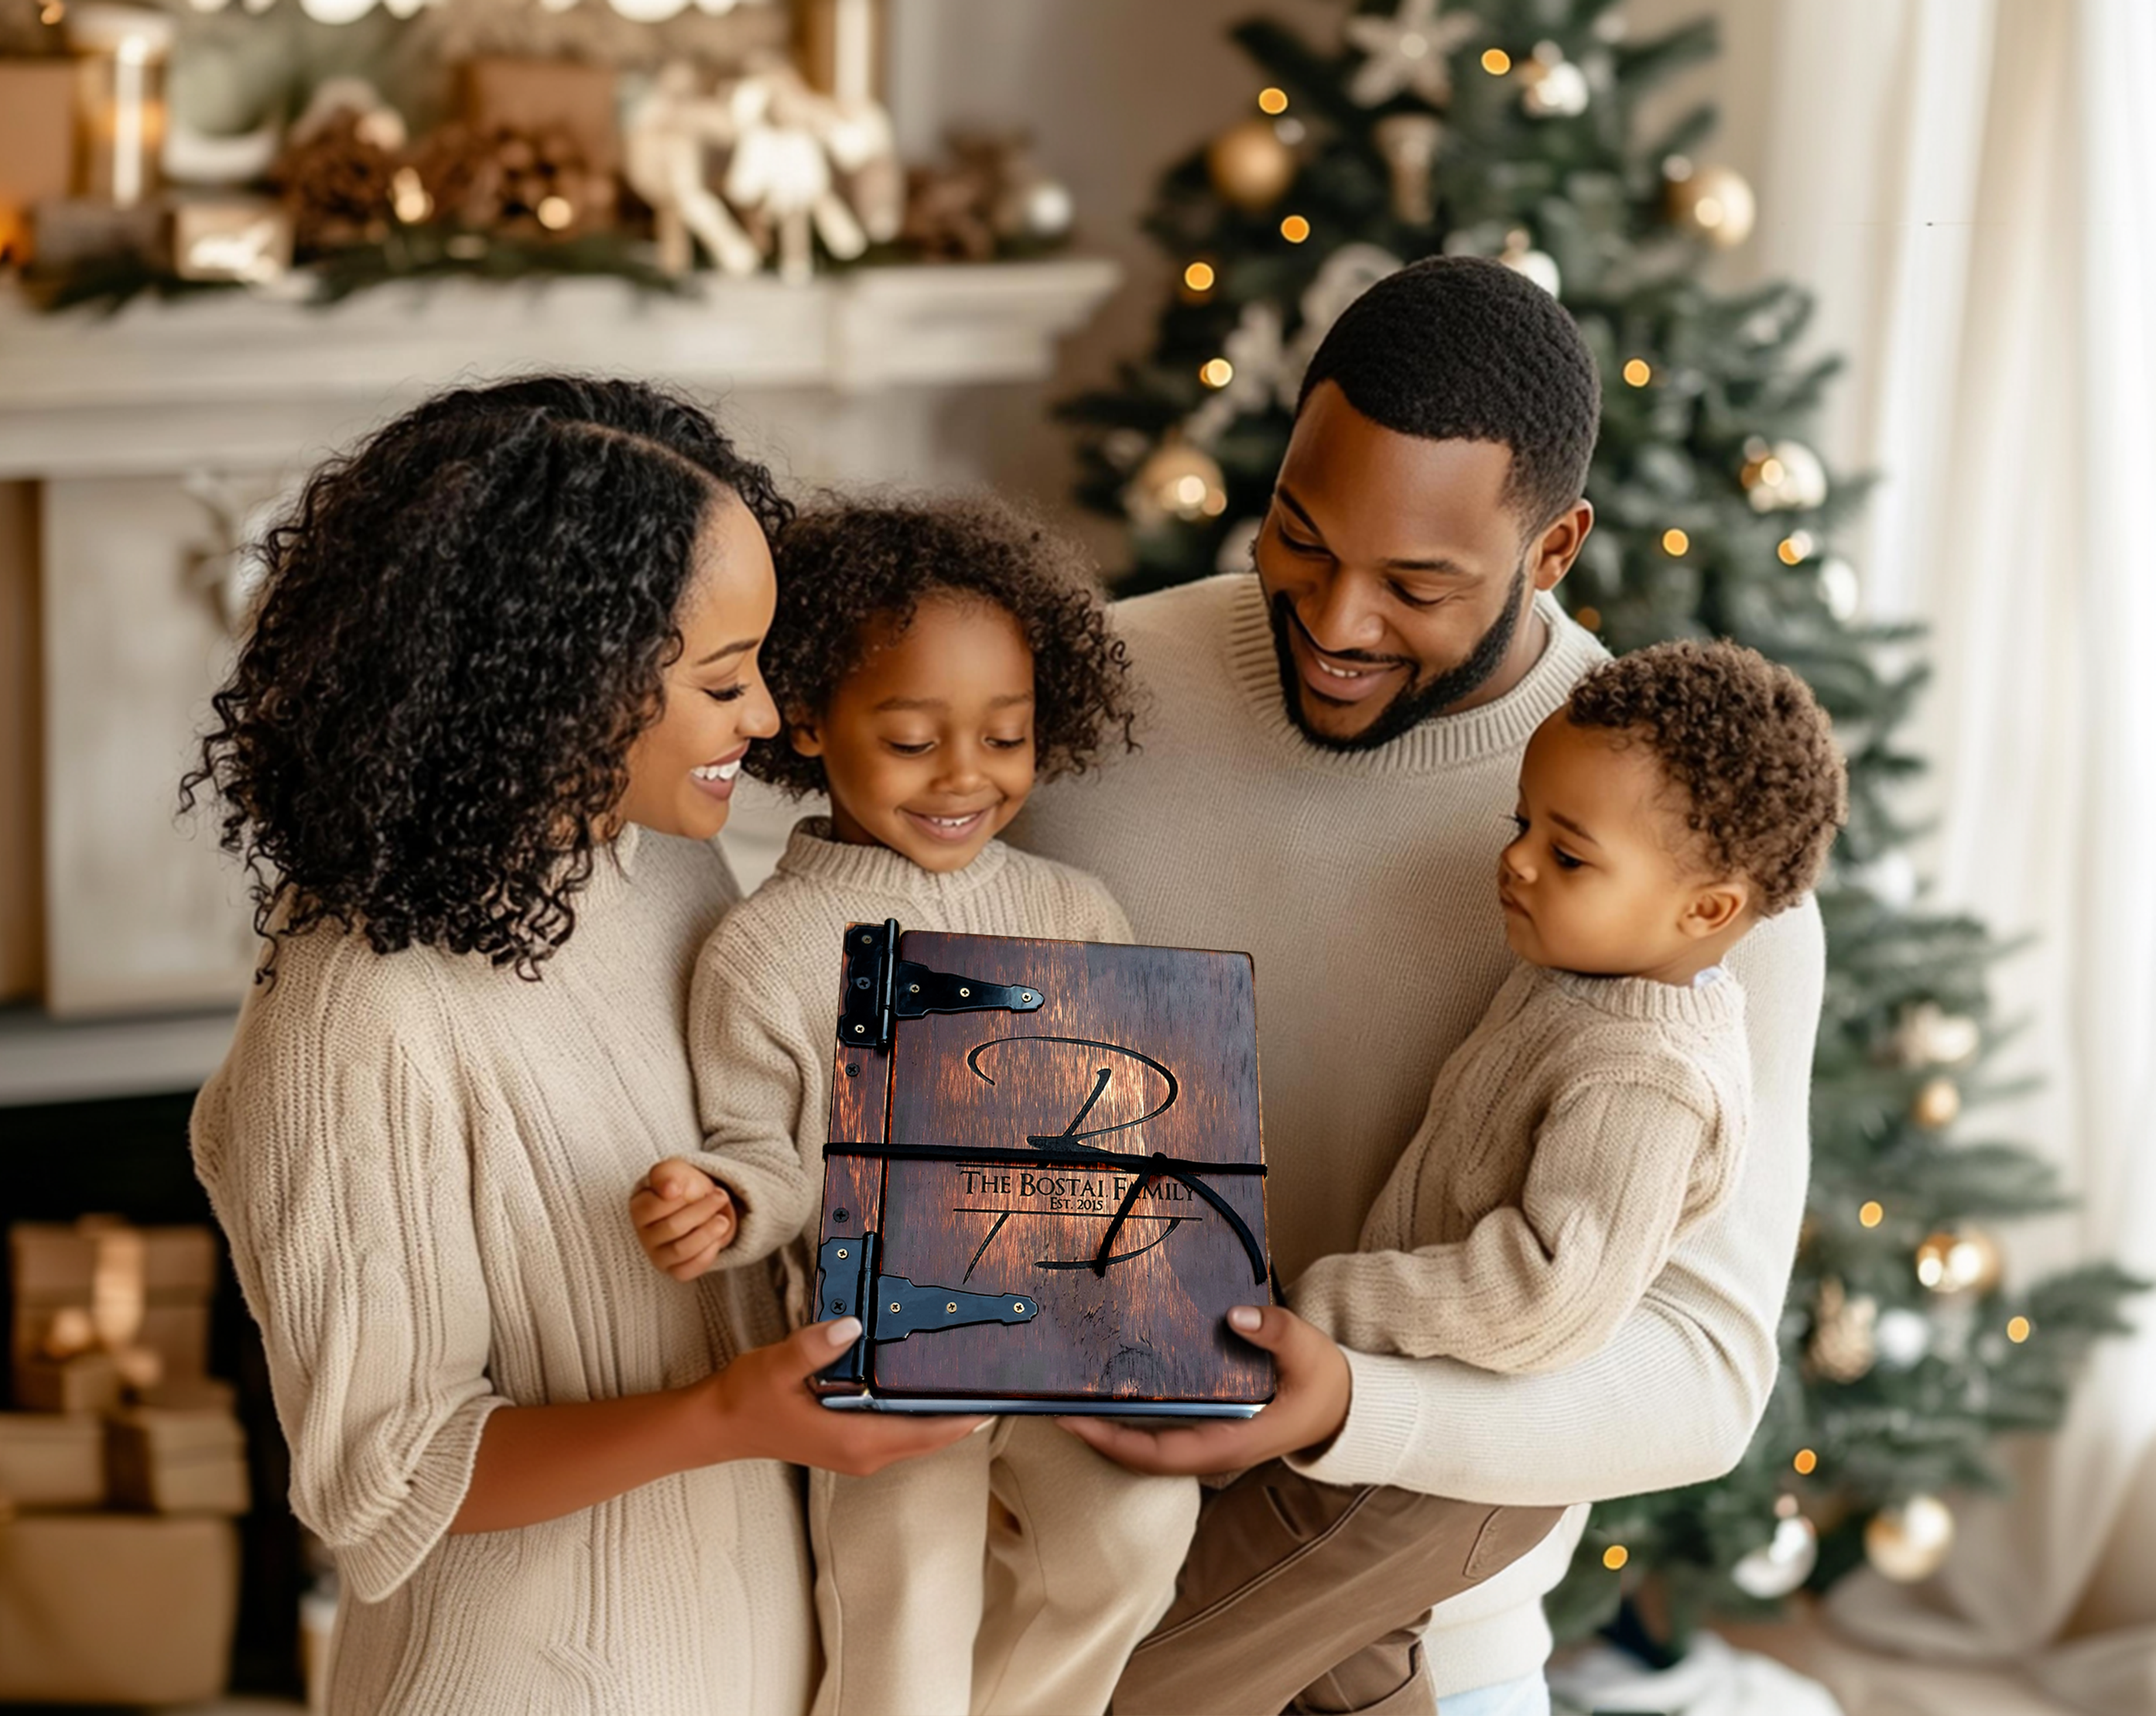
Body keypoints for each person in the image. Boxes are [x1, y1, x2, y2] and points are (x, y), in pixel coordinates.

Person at [1015, 255, 1829, 1716]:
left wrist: (1348, 1406)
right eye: (1298, 536)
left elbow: (1702, 1371)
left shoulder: (1693, 869)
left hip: (1429, 1646)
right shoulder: (1078, 698)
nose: (1335, 620)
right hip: (1038, 1597)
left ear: (1555, 546)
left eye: (1417, 585)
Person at [183, 378, 977, 1716]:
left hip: (747, 1654)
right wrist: (726, 1416)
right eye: (721, 679)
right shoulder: (353, 1020)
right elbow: (383, 1477)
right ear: (563, 681)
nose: (765, 717)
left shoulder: (648, 861)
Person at [1112, 642, 1848, 1715]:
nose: (1517, 862)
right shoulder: (1584, 979)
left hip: (1436, 1463)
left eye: (1569, 855)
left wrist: (1323, 1304)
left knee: (1156, 1673)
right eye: (1521, 824)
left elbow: (1545, 1291)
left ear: (1705, 912)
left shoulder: (1646, 1076)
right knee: (1349, 1677)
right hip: (1410, 1418)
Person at [631, 495, 1198, 1716]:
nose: (964, 775)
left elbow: (1145, 1138)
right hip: (882, 1360)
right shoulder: (765, 951)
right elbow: (760, 1150)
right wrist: (724, 1199)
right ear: (809, 719)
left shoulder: (1076, 910)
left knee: (1140, 1529)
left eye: (1006, 735)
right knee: (904, 1615)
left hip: (1067, 1338)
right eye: (909, 739)